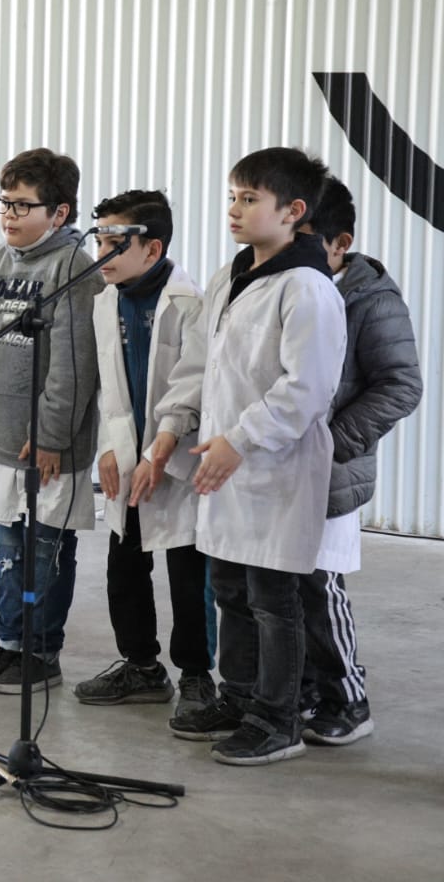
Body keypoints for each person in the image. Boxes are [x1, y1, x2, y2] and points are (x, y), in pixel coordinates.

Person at [144, 147, 345, 765]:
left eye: (250, 199)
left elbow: (306, 389)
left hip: (273, 471)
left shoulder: (307, 289)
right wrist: (171, 430)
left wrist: (241, 439)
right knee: (228, 590)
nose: (234, 209)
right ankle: (238, 696)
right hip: (222, 468)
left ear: (293, 212)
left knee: (273, 599)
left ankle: (277, 718)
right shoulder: (230, 277)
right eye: (232, 196)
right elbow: (198, 366)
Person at [0, 149, 102, 694]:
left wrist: (53, 436)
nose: (9, 215)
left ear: (59, 213)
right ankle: (9, 643)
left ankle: (43, 652)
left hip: (48, 448)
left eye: (23, 205)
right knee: (6, 550)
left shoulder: (73, 271)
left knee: (46, 551)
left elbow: (74, 364)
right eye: (4, 202)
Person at [290, 176, 421, 745]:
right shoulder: (276, 284)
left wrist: (331, 444)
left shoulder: (371, 301)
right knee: (278, 589)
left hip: (331, 473)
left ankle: (348, 697)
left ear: (340, 244)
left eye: (307, 239)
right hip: (278, 469)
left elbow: (401, 386)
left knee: (320, 587)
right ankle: (295, 692)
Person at [74, 190, 215, 714]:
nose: (102, 255)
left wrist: (159, 452)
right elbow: (111, 387)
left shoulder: (189, 305)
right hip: (127, 455)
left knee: (187, 572)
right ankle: (140, 666)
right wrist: (110, 449)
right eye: (100, 242)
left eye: (114, 244)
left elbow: (192, 386)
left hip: (175, 460)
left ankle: (198, 674)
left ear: (152, 249)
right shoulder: (105, 301)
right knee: (124, 566)